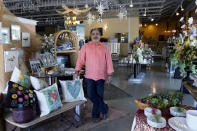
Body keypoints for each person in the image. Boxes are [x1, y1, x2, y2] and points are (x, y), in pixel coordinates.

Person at [75, 28, 114, 123]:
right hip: (89, 76)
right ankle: (104, 108)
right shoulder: (85, 46)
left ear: (99, 35)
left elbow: (109, 61)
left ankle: (95, 115)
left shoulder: (105, 47)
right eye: (93, 34)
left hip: (101, 76)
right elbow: (80, 59)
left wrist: (110, 74)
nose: (95, 35)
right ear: (91, 35)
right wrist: (77, 70)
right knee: (91, 95)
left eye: (97, 34)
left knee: (99, 96)